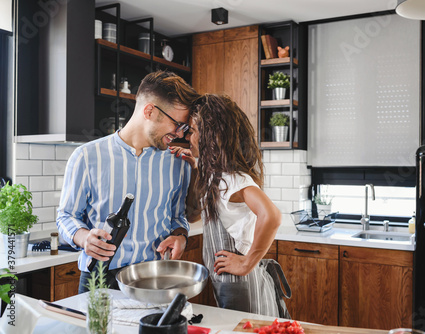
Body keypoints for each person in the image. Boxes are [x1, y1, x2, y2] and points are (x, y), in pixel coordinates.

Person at [57, 71, 199, 293]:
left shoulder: (177, 162)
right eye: (176, 124)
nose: (178, 133)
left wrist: (180, 236)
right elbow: (66, 216)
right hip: (99, 279)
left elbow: (177, 216)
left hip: (154, 277)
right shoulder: (86, 156)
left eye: (184, 128)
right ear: (150, 111)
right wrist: (84, 237)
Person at [171, 94, 291, 317]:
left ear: (210, 136)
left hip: (241, 281)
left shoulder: (232, 179)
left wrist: (246, 263)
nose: (188, 137)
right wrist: (195, 169)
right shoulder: (216, 176)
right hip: (228, 281)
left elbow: (272, 216)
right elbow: (195, 216)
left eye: (193, 131)